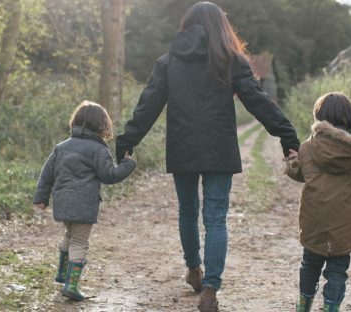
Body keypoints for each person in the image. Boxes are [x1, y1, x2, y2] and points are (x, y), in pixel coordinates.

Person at [115, 2, 300, 311]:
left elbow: (148, 104)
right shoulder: (231, 61)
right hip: (219, 146)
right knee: (215, 218)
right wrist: (286, 135)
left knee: (188, 211)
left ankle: (193, 269)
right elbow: (258, 101)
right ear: (221, 27)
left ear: (186, 26)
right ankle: (211, 288)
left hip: (182, 145)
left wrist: (127, 139)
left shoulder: (169, 61)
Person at [284, 92, 351, 312]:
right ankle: (331, 308)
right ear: (349, 117)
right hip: (345, 224)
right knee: (337, 271)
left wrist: (291, 162)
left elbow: (298, 174)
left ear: (318, 116)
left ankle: (303, 305)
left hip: (314, 220)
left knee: (310, 264)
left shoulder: (308, 147)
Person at [32, 101, 136, 301]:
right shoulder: (98, 150)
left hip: (62, 202)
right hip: (84, 205)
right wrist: (127, 165)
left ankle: (62, 274)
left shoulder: (61, 147)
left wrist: (41, 198)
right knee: (80, 241)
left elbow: (47, 174)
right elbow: (109, 175)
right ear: (102, 126)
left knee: (70, 234)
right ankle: (71, 286)